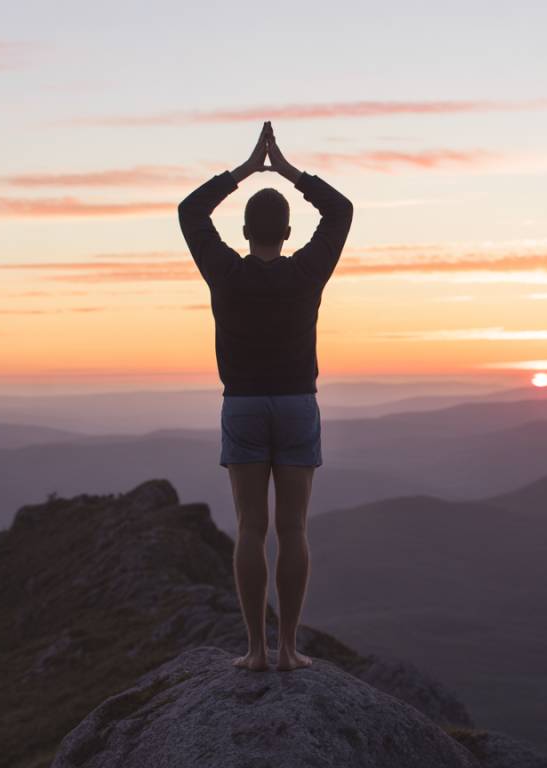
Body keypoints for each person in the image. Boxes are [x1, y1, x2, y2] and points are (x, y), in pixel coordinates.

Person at [177, 121, 353, 671]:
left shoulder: (225, 272)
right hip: (298, 404)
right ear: (288, 230)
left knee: (250, 528)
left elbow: (189, 213)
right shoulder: (306, 272)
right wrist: (290, 170)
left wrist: (247, 169)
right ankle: (289, 649)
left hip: (244, 407)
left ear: (247, 230)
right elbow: (341, 211)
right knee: (293, 528)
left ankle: (254, 650)